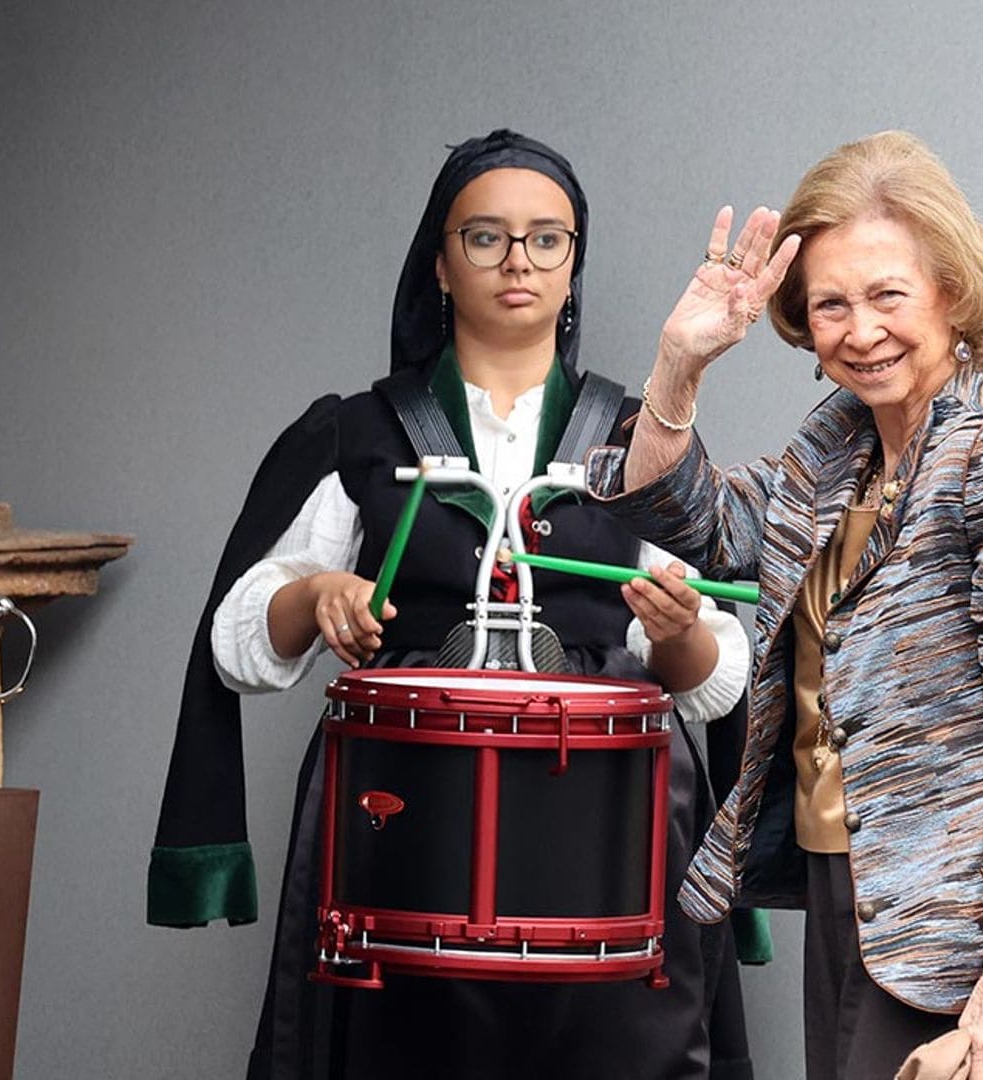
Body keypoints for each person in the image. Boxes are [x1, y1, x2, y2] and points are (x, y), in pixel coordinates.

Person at [146, 129, 755, 1080]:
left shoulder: (640, 439)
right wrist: (315, 597)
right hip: (403, 834)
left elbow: (712, 675)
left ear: (573, 264)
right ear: (439, 260)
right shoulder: (363, 431)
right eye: (487, 237)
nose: (519, 260)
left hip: (605, 832)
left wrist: (676, 638)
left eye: (546, 239)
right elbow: (239, 644)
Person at [598, 130, 983, 1080]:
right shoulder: (838, 443)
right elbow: (709, 524)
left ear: (951, 294)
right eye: (830, 304)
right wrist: (681, 364)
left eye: (888, 295)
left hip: (977, 919)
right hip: (858, 889)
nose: (859, 329)